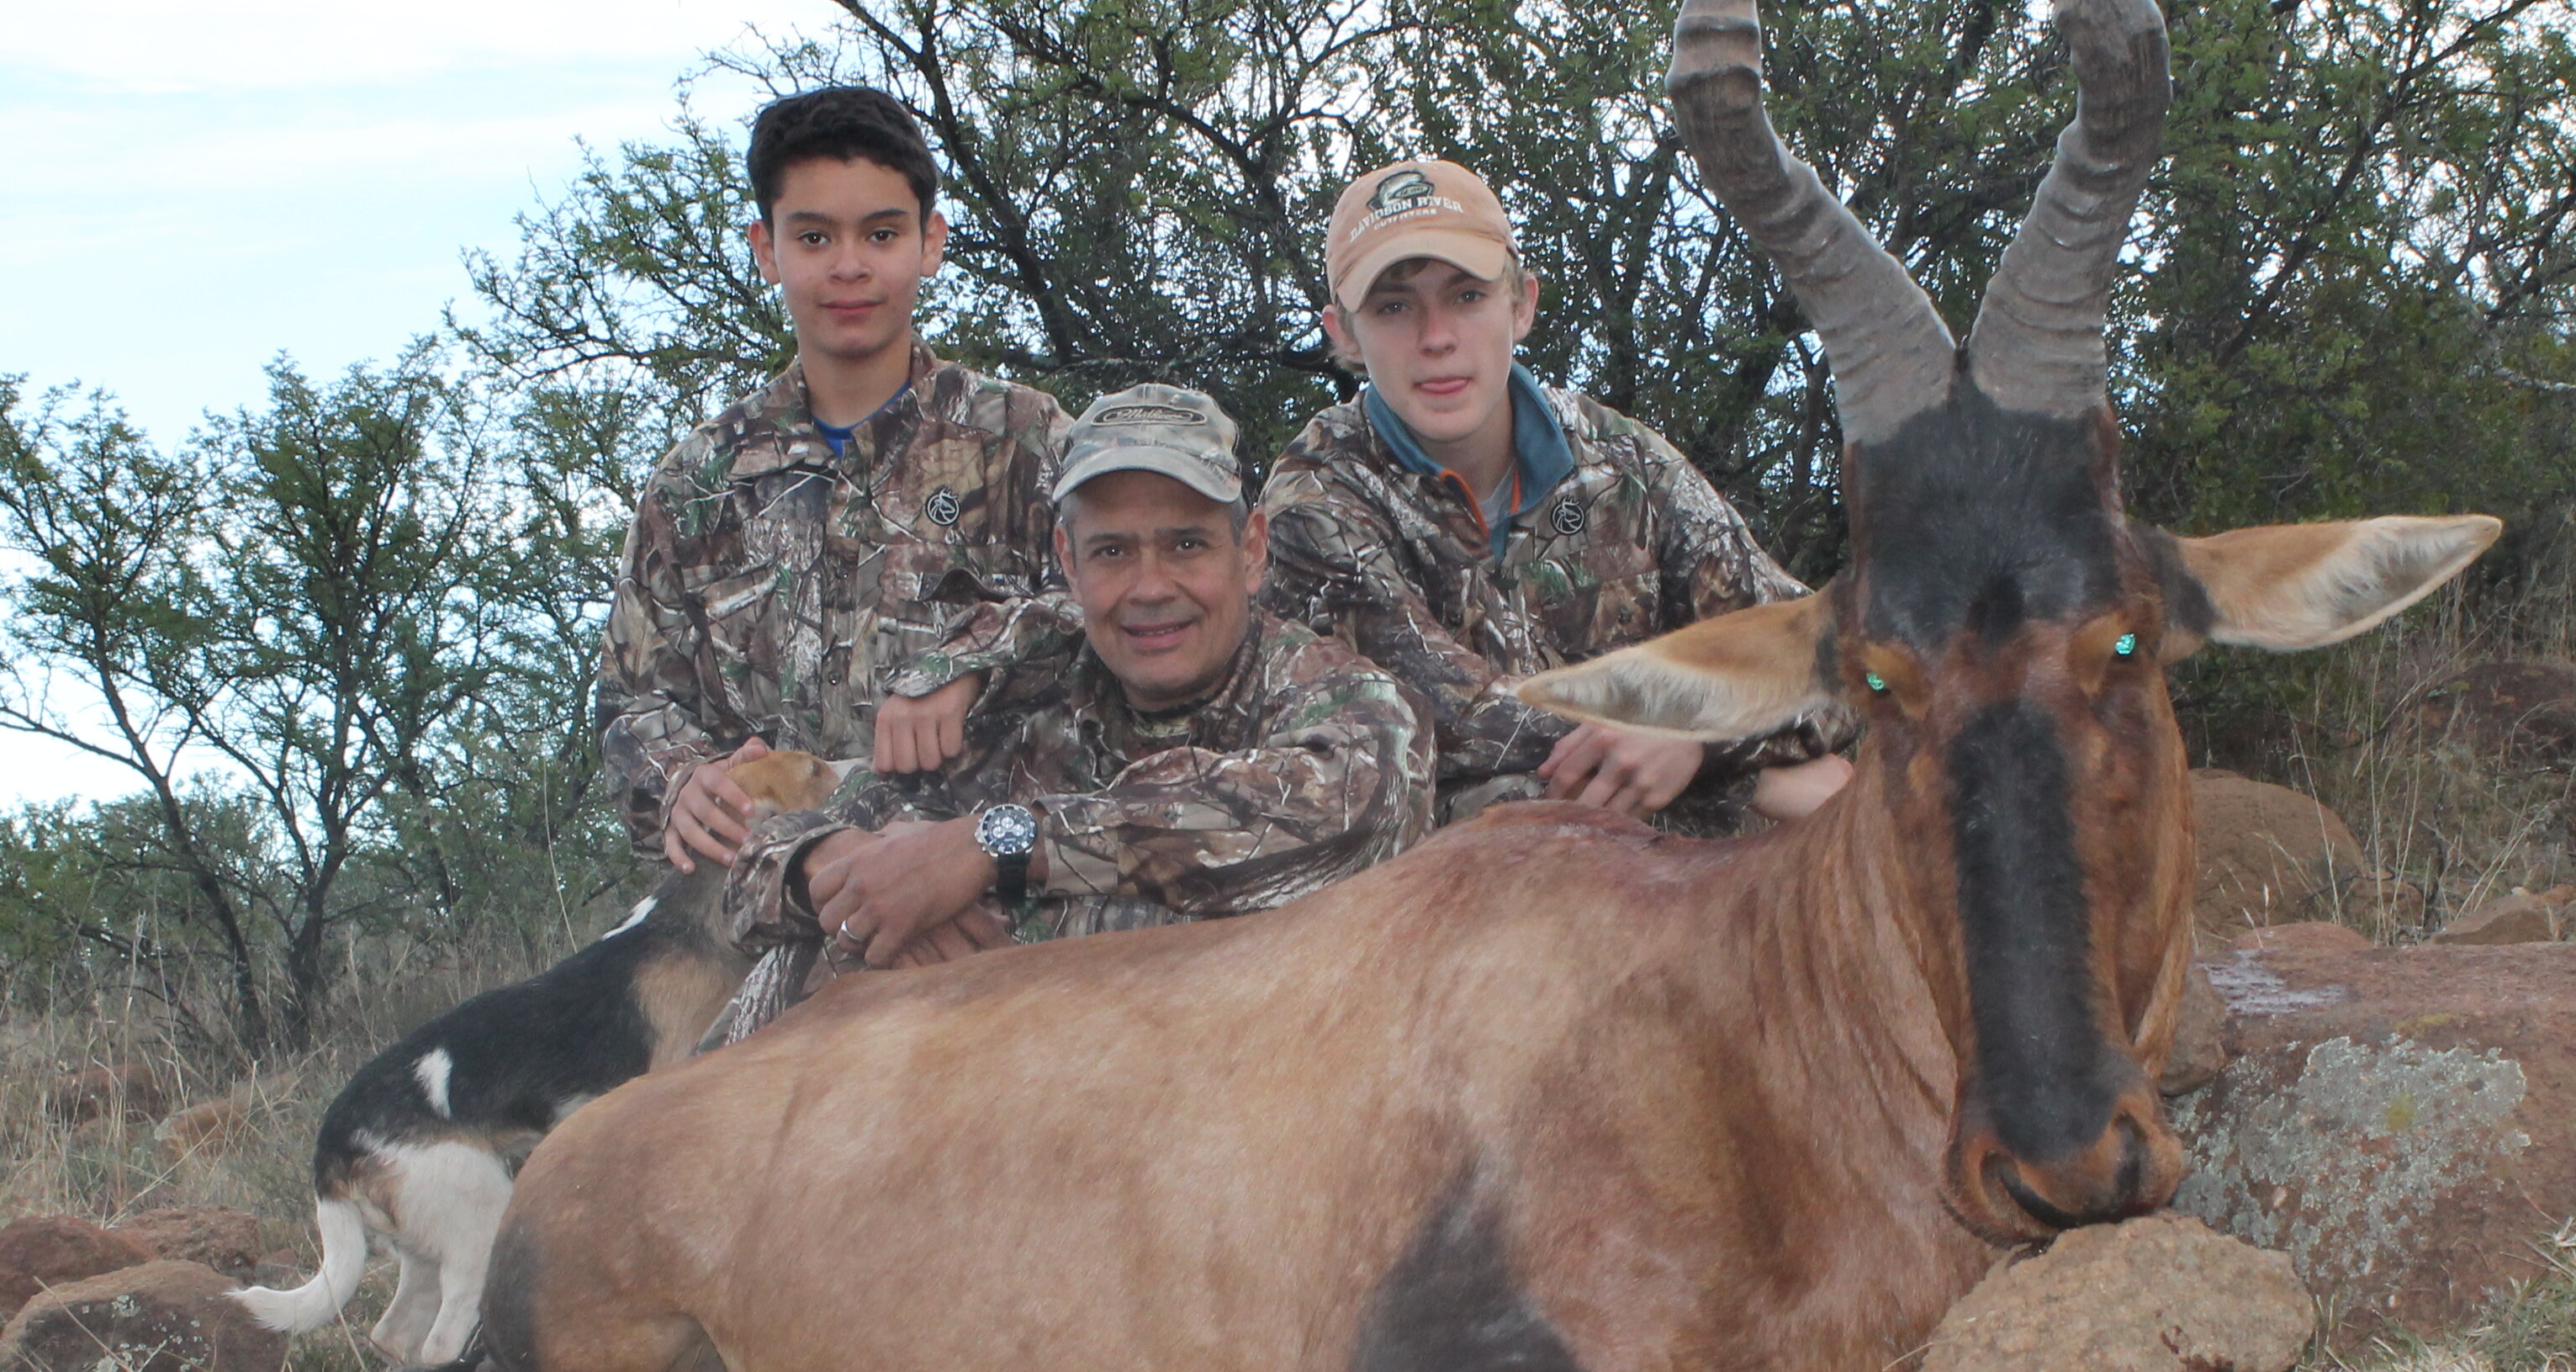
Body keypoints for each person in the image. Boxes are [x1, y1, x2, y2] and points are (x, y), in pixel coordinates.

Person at [707, 384, 1432, 1043]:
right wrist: (833, 868)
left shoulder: (1342, 699)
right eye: (1113, 551)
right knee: (826, 950)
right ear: (1068, 559)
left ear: (1251, 551)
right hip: (1005, 1097)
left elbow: (1355, 811)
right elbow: (753, 879)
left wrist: (993, 849)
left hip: (1237, 1089)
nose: (1151, 587)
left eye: (1187, 544)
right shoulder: (1010, 692)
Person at [1258, 155, 1849, 834]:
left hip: (1696, 899)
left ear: (1522, 305)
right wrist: (1736, 776)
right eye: (1394, 307)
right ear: (1344, 337)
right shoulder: (1317, 498)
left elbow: (1831, 657)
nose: (1438, 338)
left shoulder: (1624, 461)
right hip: (1455, 901)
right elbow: (1457, 723)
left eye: (1467, 296)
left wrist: (1704, 741)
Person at [595, 86, 1071, 898]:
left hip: (991, 912)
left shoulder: (1023, 442)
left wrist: (970, 661)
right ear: (767, 250)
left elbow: (1120, 615)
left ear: (930, 243)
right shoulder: (698, 483)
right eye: (814, 236)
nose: (849, 265)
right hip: (779, 922)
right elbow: (631, 704)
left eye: (880, 234)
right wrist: (679, 784)